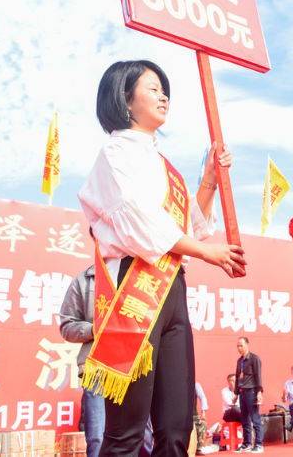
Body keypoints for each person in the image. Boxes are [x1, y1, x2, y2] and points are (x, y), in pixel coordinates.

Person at [78, 60, 247, 457]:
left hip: (171, 288)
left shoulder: (164, 165)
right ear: (124, 98)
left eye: (164, 89)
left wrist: (209, 179)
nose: (163, 96)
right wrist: (206, 252)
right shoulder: (114, 153)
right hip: (133, 290)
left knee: (176, 428)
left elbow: (189, 226)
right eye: (152, 88)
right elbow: (140, 224)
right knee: (126, 432)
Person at [59, 264, 103, 457]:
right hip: (96, 368)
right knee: (97, 437)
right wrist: (93, 329)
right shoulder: (85, 280)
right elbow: (67, 325)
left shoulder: (139, 275)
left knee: (142, 437)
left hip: (134, 368)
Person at [233, 337, 263, 453]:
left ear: (247, 345)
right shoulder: (239, 361)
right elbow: (237, 377)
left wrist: (259, 392)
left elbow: (258, 376)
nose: (239, 348)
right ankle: (246, 444)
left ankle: (259, 444)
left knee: (255, 419)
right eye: (238, 346)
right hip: (242, 393)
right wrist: (236, 394)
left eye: (241, 346)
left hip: (252, 392)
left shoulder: (254, 359)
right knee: (245, 419)